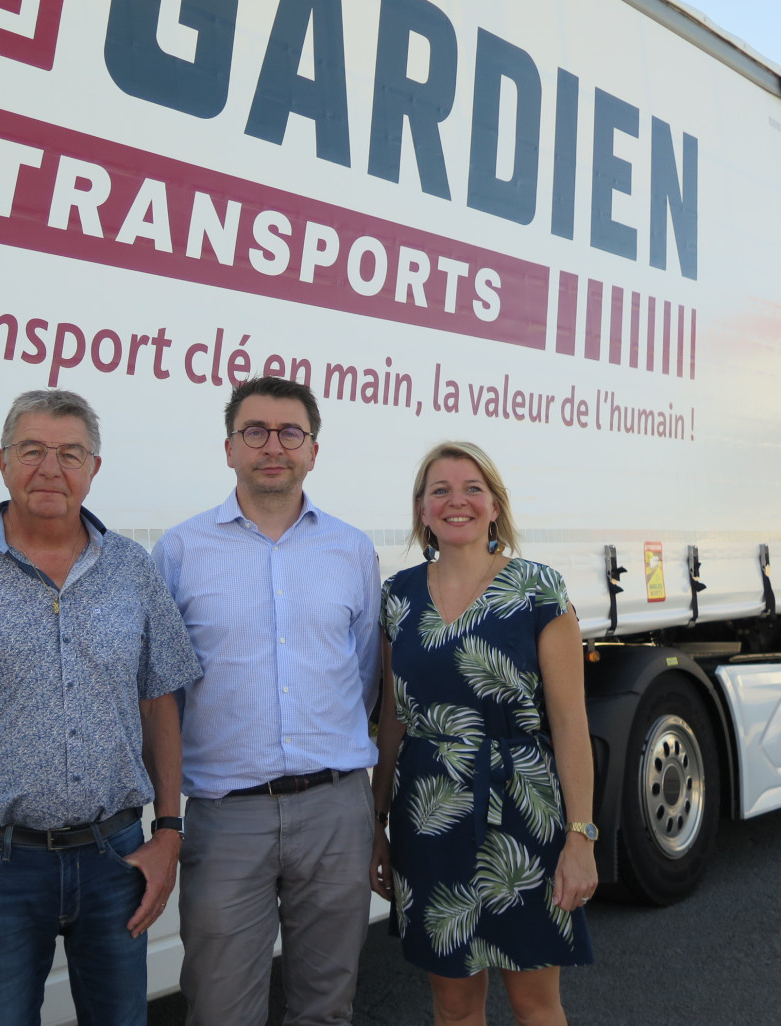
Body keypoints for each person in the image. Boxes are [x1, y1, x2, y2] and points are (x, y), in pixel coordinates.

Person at [0, 388, 200, 1026]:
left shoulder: (131, 568)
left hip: (116, 858)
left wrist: (169, 835)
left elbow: (161, 703)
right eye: (32, 450)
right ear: (2, 460)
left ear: (94, 469)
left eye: (71, 453)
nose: (51, 468)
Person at [151, 376, 381, 1026]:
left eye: (290, 432)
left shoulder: (351, 550)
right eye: (255, 431)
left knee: (326, 1009)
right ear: (229, 448)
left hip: (336, 809)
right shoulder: (180, 551)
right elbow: (162, 690)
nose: (272, 446)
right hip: (227, 817)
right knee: (221, 1011)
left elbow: (361, 674)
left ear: (313, 449)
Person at [370, 441, 596, 1025]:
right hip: (428, 815)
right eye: (439, 490)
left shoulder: (538, 590)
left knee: (534, 1002)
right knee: (452, 1005)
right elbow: (393, 721)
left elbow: (570, 723)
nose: (457, 502)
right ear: (421, 510)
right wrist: (376, 823)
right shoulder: (398, 597)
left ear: (495, 505)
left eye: (472, 488)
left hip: (525, 813)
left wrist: (581, 837)